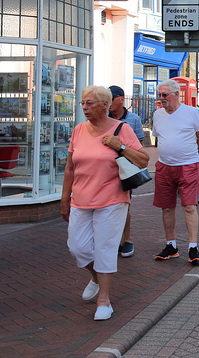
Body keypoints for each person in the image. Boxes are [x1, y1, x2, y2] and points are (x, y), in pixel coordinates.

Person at [61, 85, 149, 321]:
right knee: (77, 247)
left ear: (104, 105)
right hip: (80, 199)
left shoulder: (122, 128)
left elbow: (143, 160)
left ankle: (104, 300)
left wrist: (119, 146)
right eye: (82, 103)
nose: (84, 108)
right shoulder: (79, 130)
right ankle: (97, 277)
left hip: (111, 199)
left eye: (89, 103)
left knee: (105, 248)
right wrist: (64, 199)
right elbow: (70, 168)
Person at [152, 79, 199, 265]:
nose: (161, 99)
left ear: (176, 95)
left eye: (165, 95)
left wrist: (190, 155)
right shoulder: (158, 115)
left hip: (188, 166)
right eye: (159, 95)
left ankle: (193, 247)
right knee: (166, 206)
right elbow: (158, 138)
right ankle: (171, 245)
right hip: (164, 166)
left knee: (189, 206)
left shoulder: (191, 113)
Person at [108, 85, 145, 258]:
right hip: (105, 169)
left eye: (112, 97)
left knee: (124, 206)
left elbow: (139, 148)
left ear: (121, 99)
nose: (108, 102)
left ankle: (127, 240)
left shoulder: (134, 119)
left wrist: (124, 151)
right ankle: (113, 240)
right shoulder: (103, 119)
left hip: (124, 169)